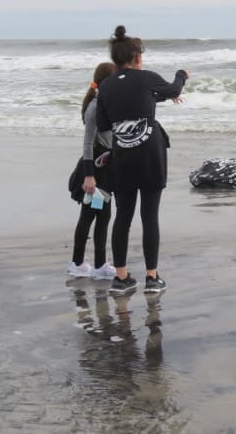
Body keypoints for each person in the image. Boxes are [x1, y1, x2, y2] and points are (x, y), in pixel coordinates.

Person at [96, 25, 189, 294]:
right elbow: (173, 89)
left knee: (123, 216)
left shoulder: (107, 86)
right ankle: (151, 277)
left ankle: (122, 278)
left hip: (122, 156)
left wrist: (146, 101)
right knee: (150, 215)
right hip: (150, 155)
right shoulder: (147, 78)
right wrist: (182, 75)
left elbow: (103, 122)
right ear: (137, 57)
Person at [67, 62, 117, 278]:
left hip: (103, 169)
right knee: (91, 216)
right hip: (94, 172)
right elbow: (87, 143)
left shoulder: (104, 103)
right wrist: (89, 177)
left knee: (101, 216)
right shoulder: (95, 107)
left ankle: (95, 264)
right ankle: (82, 264)